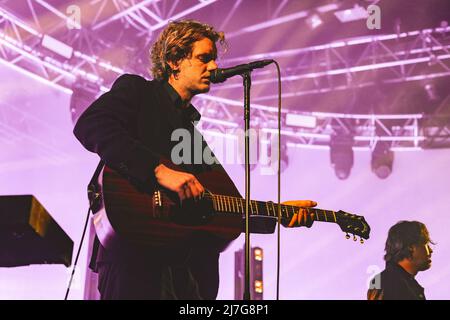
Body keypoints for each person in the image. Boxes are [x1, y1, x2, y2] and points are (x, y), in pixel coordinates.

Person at [74, 19, 316, 300]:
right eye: (204, 58)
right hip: (137, 262)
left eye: (213, 59)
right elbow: (91, 124)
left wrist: (278, 213)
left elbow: (218, 206)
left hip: (187, 275)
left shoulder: (191, 135)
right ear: (174, 61)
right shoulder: (138, 92)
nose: (214, 67)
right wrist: (158, 171)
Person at [368, 220, 434, 300]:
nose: (431, 250)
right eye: (426, 244)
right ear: (411, 247)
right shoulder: (391, 283)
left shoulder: (395, 281)